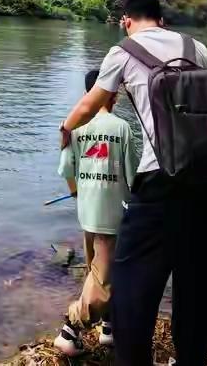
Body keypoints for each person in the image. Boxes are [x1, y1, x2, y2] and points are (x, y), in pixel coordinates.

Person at [59, 0, 207, 366]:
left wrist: (65, 130)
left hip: (159, 184)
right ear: (161, 20)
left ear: (126, 21)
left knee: (132, 286)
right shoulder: (197, 49)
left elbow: (89, 106)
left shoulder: (123, 52)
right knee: (198, 287)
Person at [53, 69, 140, 357]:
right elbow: (133, 179)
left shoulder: (76, 128)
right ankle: (70, 330)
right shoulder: (122, 128)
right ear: (113, 95)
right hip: (112, 217)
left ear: (87, 95)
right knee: (104, 280)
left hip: (87, 214)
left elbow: (66, 170)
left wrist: (77, 192)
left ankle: (108, 327)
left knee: (97, 272)